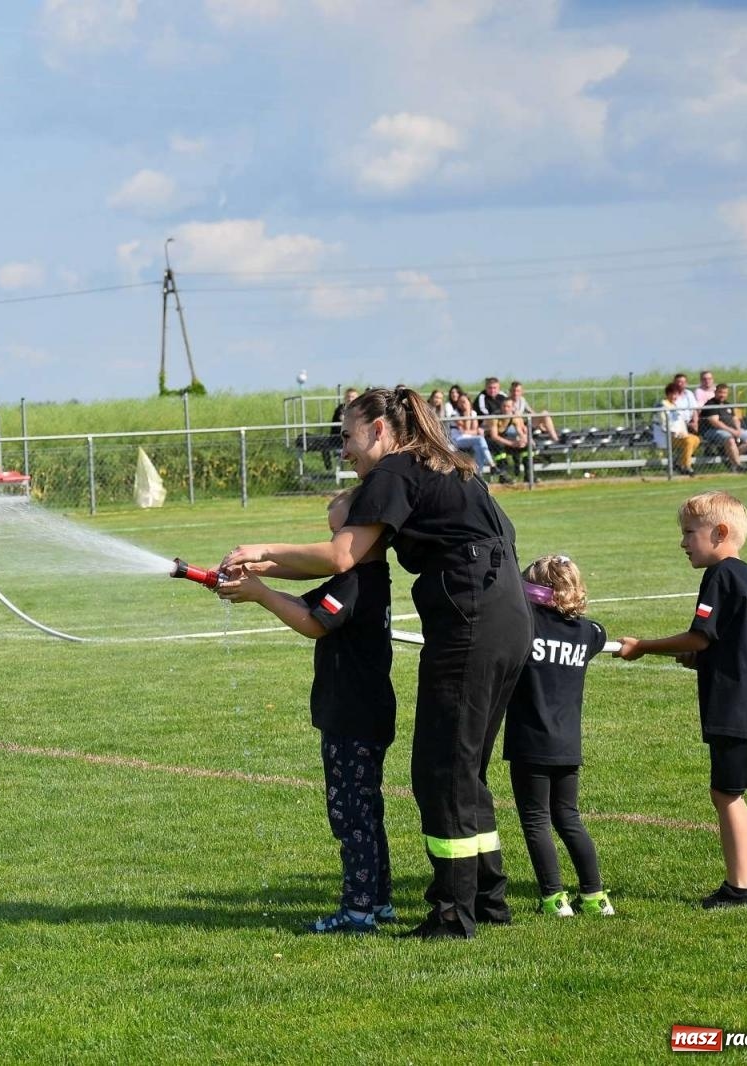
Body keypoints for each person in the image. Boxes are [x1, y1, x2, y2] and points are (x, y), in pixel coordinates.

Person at [222, 386, 531, 939]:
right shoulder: (439, 467)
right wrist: (264, 569)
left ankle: (453, 913)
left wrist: (254, 550)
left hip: (471, 621)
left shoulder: (394, 471)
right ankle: (488, 898)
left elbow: (341, 555)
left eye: (347, 436)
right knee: (464, 768)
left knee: (440, 770)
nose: (343, 450)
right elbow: (347, 558)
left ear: (381, 431)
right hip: (505, 614)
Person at [218, 489, 396, 934]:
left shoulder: (355, 582)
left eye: (338, 533)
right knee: (366, 813)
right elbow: (306, 604)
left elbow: (314, 624)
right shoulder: (359, 578)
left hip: (352, 717)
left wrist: (261, 594)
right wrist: (258, 580)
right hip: (361, 714)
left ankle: (358, 912)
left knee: (351, 817)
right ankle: (378, 901)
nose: (331, 543)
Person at [615, 491, 747, 909]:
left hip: (733, 705)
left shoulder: (720, 576)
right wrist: (698, 659)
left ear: (720, 533)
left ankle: (738, 888)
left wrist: (644, 646)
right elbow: (730, 647)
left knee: (725, 795)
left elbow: (701, 636)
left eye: (689, 533)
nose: (683, 542)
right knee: (733, 792)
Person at [503, 555, 613, 918]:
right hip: (568, 743)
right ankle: (595, 895)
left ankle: (553, 897)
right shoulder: (585, 632)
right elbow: (600, 633)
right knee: (568, 817)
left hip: (530, 742)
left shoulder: (523, 625)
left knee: (535, 820)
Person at [450, 394, 505, 482]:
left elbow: (475, 430)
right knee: (480, 439)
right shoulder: (455, 413)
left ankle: (478, 474)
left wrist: (469, 414)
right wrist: (467, 413)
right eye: (460, 402)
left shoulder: (474, 413)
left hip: (471, 439)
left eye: (464, 401)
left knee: (478, 447)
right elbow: (465, 430)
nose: (462, 404)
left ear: (469, 402)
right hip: (457, 440)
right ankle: (492, 465)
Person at [700, 384, 747, 473]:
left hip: (731, 430)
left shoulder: (727, 404)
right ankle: (738, 465)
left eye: (725, 393)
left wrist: (738, 429)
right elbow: (715, 422)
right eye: (720, 392)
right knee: (729, 439)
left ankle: (729, 456)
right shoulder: (710, 405)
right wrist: (732, 431)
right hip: (712, 431)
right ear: (715, 392)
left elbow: (735, 419)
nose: (722, 395)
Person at [654, 381, 700, 476]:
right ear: (668, 394)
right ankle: (687, 466)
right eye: (673, 394)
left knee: (696, 439)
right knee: (689, 441)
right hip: (667, 436)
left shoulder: (674, 406)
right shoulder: (662, 405)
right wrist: (675, 433)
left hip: (679, 436)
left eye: (676, 394)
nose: (675, 397)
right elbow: (664, 424)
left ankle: (680, 464)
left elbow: (680, 422)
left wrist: (684, 433)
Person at [484, 398, 531, 481]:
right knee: (499, 448)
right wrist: (512, 443)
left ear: (513, 408)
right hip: (490, 440)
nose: (506, 409)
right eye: (504, 406)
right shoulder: (495, 416)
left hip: (503, 439)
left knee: (527, 447)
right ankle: (503, 476)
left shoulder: (513, 417)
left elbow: (520, 431)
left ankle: (528, 475)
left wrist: (524, 441)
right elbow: (494, 436)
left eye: (508, 406)